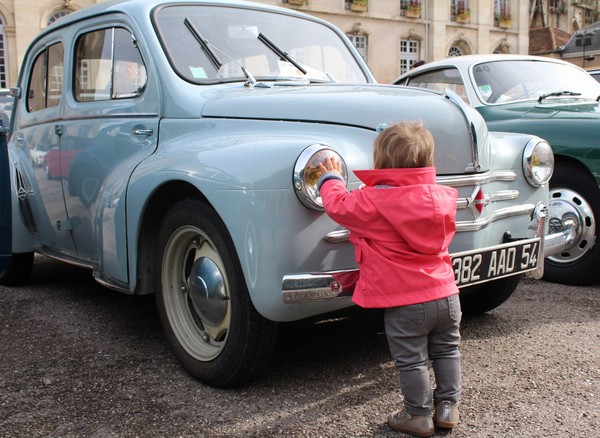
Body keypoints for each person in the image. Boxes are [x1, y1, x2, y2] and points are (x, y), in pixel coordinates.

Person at [316, 121, 461, 437]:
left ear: (381, 162)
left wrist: (328, 178)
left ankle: (418, 415)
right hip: (447, 295)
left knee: (412, 361)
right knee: (447, 350)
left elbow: (337, 205)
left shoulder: (373, 202)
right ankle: (448, 406)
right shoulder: (442, 197)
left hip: (407, 301)